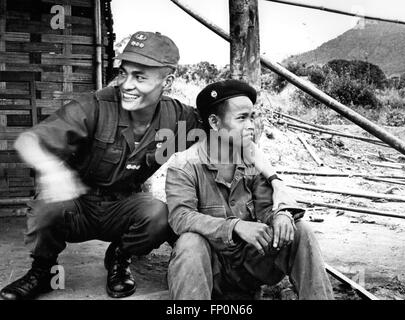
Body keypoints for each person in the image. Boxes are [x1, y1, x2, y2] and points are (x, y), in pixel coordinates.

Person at [1, 32, 287, 300]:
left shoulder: (179, 119)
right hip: (76, 204)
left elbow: (232, 137)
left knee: (160, 215)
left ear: (168, 82)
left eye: (139, 77)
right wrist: (53, 171)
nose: (126, 84)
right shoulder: (95, 106)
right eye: (123, 73)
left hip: (124, 207)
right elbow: (29, 141)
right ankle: (42, 270)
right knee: (46, 205)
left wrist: (275, 180)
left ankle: (120, 257)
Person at [165, 79, 335, 300]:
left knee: (300, 230)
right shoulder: (184, 164)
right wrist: (235, 226)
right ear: (215, 123)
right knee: (189, 242)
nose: (250, 126)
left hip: (250, 267)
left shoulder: (252, 160)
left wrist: (281, 215)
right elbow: (181, 217)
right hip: (209, 270)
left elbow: (266, 207)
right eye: (241, 118)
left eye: (252, 117)